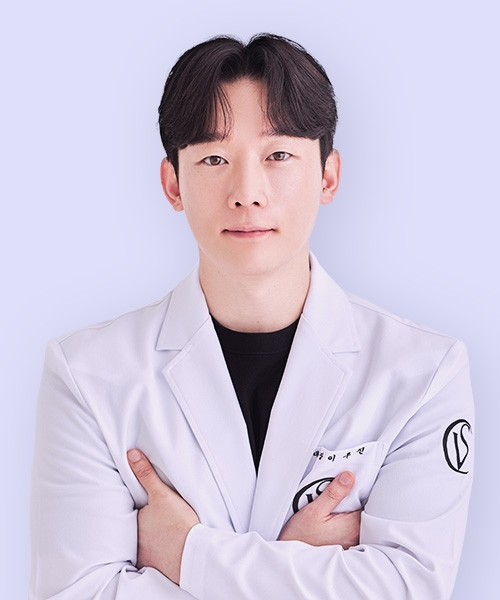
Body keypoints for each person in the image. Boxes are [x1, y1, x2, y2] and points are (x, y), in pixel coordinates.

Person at [30, 34, 474, 599]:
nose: (247, 192)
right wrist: (305, 567)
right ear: (173, 184)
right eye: (214, 159)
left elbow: (411, 587)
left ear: (328, 176)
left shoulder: (424, 372)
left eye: (278, 155)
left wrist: (187, 554)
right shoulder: (87, 373)